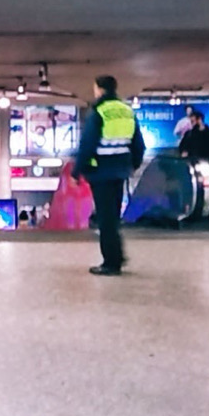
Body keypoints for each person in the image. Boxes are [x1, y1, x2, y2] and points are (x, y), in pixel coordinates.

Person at [72, 74, 145, 276]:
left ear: (99, 89)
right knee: (113, 216)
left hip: (101, 173)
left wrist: (77, 171)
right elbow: (139, 144)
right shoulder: (126, 111)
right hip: (120, 171)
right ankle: (118, 256)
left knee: (105, 219)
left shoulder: (99, 112)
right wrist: (132, 165)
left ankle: (111, 263)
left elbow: (87, 145)